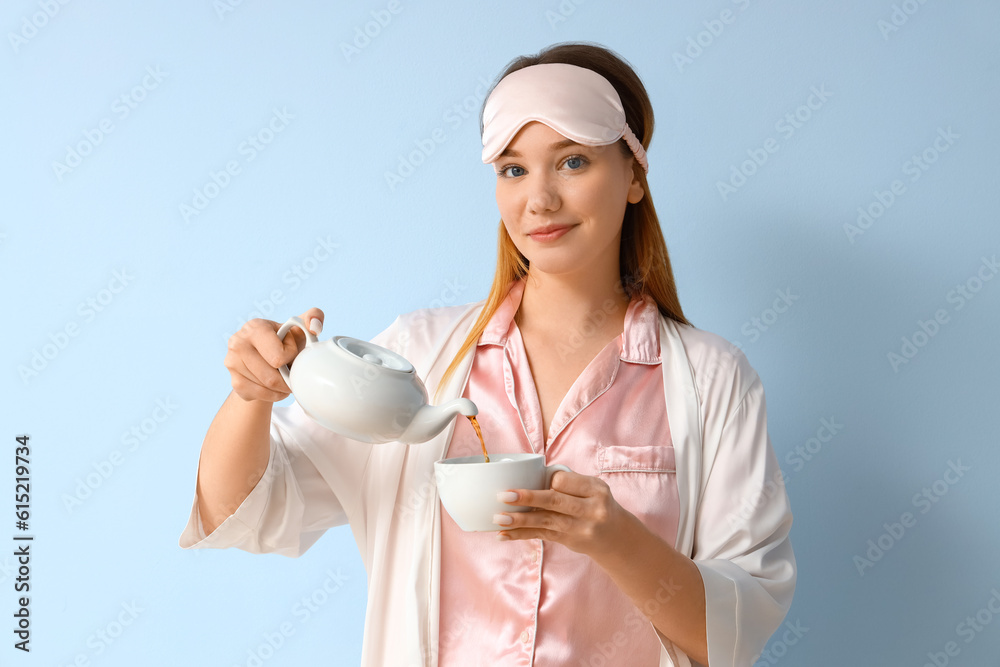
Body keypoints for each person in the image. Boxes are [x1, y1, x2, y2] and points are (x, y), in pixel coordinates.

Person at [179, 41, 796, 667]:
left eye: (574, 161)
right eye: (513, 169)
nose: (540, 200)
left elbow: (735, 632)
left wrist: (614, 539)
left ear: (634, 175)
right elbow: (245, 511)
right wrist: (250, 397)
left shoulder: (713, 381)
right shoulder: (417, 357)